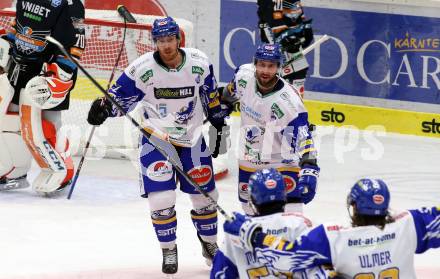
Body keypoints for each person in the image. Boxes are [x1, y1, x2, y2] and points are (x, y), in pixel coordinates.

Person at [86, 16, 229, 275]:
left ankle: (209, 245)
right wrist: (104, 108)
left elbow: (209, 96)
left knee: (206, 199)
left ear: (178, 39)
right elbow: (120, 99)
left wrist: (219, 122)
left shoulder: (199, 62)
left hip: (193, 140)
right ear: (155, 42)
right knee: (162, 199)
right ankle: (169, 249)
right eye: (161, 41)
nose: (166, 45)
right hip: (156, 140)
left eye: (170, 39)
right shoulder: (142, 68)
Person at [224, 178, 440, 278]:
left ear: (353, 207)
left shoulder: (334, 237)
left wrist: (254, 236)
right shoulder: (409, 224)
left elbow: (289, 257)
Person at [221, 43, 319, 215]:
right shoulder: (244, 76)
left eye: (271, 66)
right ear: (255, 64)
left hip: (282, 162)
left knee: (291, 216)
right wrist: (223, 103)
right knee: (249, 211)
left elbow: (304, 138)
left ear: (279, 67)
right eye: (262, 65)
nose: (265, 71)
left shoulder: (289, 103)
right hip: (249, 158)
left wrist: (310, 168)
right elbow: (230, 92)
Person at [0, 0, 85, 193]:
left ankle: (62, 170)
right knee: (11, 121)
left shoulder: (71, 4)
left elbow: (76, 40)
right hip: (19, 68)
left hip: (48, 72)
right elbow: (18, 25)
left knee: (45, 126)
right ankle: (14, 169)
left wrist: (62, 73)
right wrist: (7, 41)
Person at [211, 168, 330, 278]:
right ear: (284, 195)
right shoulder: (300, 224)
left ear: (252, 200)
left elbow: (219, 274)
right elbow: (320, 267)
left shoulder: (238, 232)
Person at [257, 0, 313, 97]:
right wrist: (283, 35)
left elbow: (294, 8)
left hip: (294, 54)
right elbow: (269, 14)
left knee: (297, 91)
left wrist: (304, 25)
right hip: (277, 50)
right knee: (273, 93)